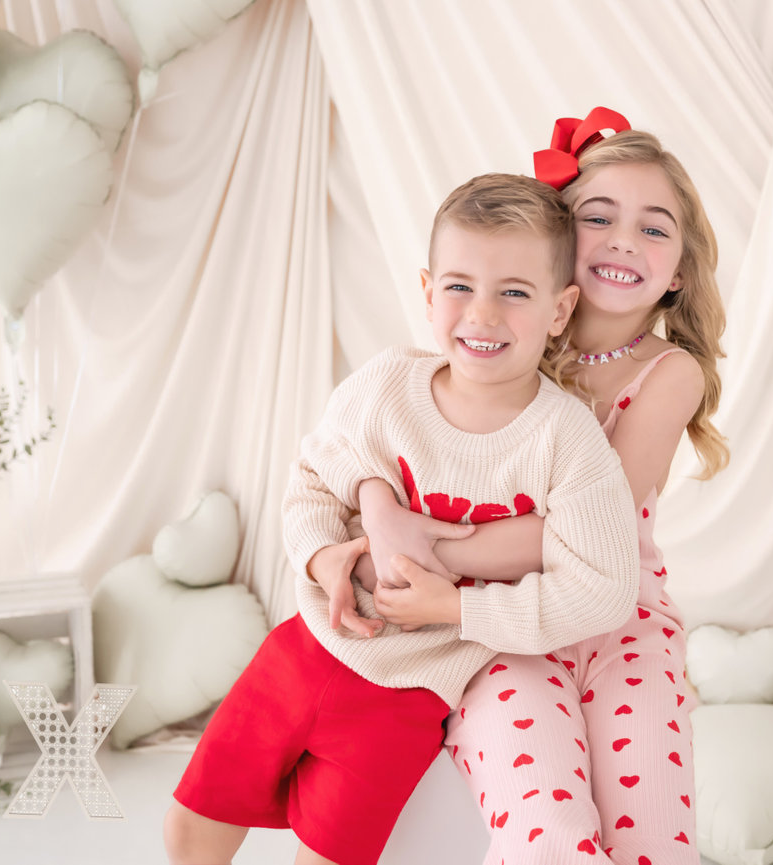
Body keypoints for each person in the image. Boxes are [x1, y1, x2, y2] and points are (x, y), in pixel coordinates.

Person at [162, 172, 642, 865]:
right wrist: (323, 557)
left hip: (407, 698)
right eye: (459, 286)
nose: (482, 314)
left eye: (514, 292)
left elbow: (604, 589)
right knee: (189, 826)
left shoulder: (566, 438)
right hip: (303, 650)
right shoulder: (388, 383)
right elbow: (309, 482)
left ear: (560, 309)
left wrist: (456, 607)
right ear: (427, 291)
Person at [358, 107, 728, 863]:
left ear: (680, 273)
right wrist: (374, 518)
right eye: (598, 217)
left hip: (622, 624)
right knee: (549, 836)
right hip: (501, 628)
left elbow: (584, 537)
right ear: (555, 240)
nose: (624, 240)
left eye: (654, 228)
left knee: (654, 839)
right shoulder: (490, 354)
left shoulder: (669, 374)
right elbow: (377, 438)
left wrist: (425, 545)